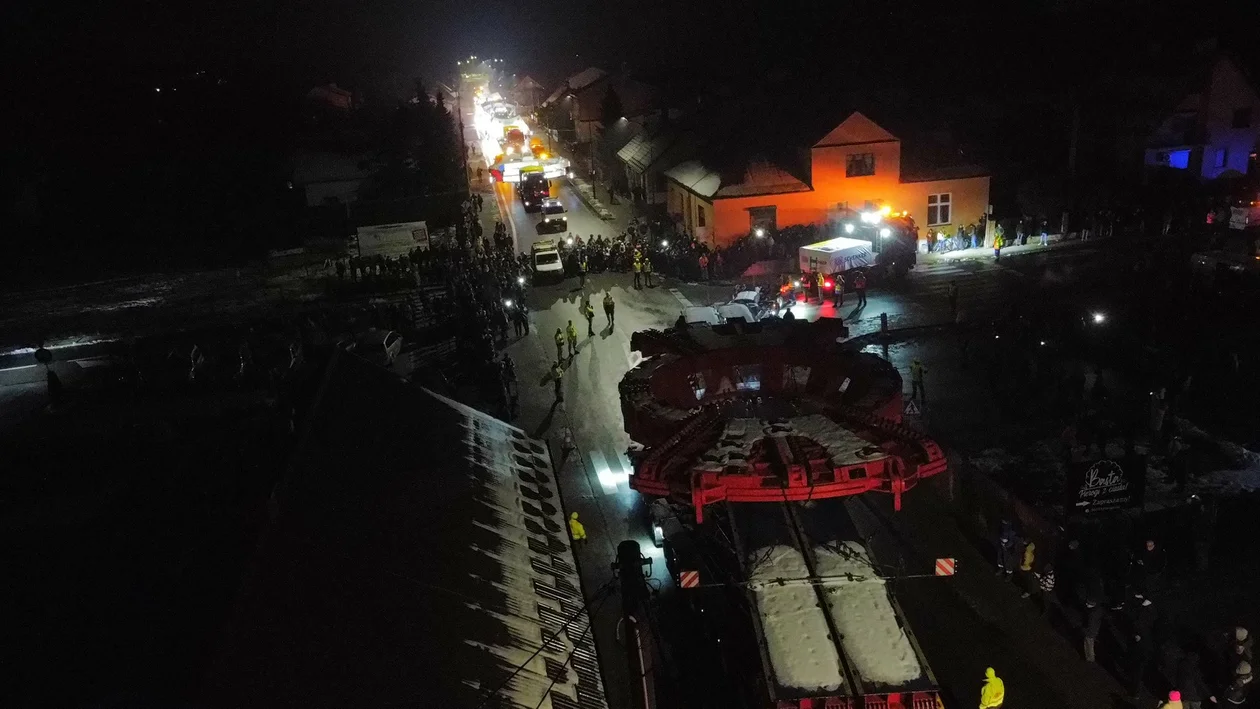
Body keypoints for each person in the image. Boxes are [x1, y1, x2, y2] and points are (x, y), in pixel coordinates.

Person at [1083, 598, 1103, 662]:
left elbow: (1090, 626)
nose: (1086, 604)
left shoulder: (1092, 615)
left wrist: (1086, 632)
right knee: (1091, 645)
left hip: (1090, 633)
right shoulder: (1098, 610)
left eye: (1088, 604)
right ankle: (1090, 658)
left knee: (1089, 646)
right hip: (1094, 632)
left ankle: (1090, 659)